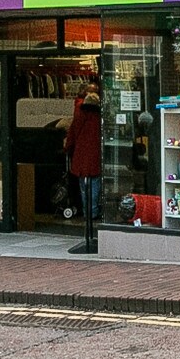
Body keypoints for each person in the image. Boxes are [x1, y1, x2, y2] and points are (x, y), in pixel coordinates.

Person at [64, 85, 103, 255]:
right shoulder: (99, 116)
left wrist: (67, 147)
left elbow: (73, 132)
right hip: (96, 154)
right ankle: (93, 211)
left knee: (83, 183)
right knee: (95, 181)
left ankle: (88, 211)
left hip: (81, 153)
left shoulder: (80, 114)